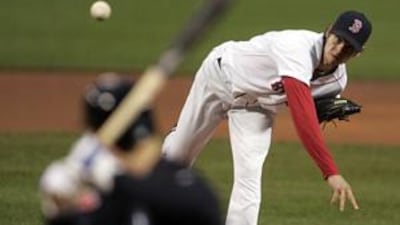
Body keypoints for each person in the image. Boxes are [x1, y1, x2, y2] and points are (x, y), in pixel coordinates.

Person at [161, 10, 372, 225]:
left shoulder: (337, 81)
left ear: (357, 54)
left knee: (249, 177)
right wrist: (330, 171)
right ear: (329, 31)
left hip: (256, 108)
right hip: (219, 77)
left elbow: (310, 111)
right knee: (177, 158)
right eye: (338, 40)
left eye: (349, 48)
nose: (339, 49)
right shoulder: (297, 47)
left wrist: (317, 111)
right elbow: (303, 117)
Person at [39, 73, 222, 225]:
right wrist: (59, 212)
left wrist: (114, 177)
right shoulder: (105, 198)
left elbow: (196, 206)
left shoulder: (183, 186)